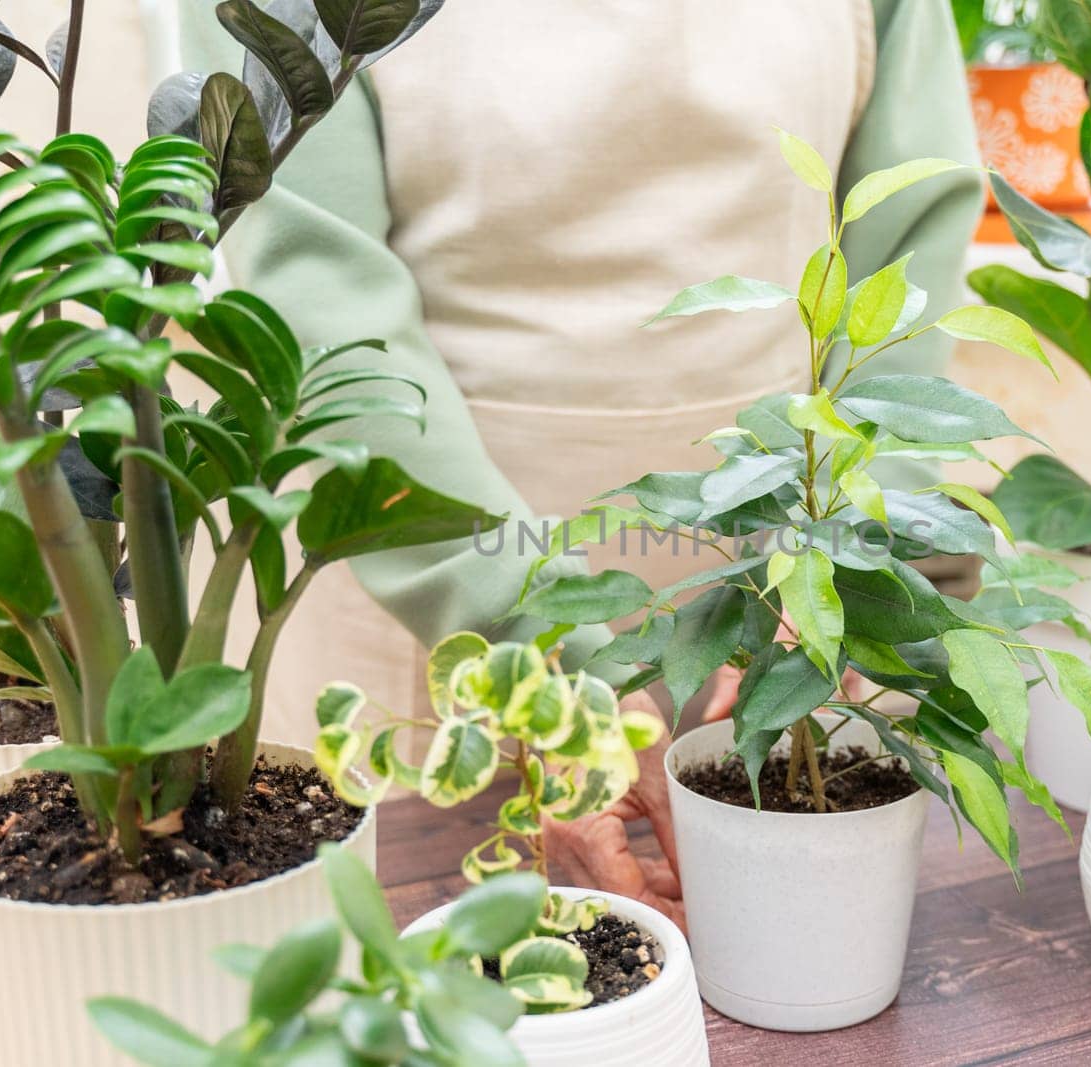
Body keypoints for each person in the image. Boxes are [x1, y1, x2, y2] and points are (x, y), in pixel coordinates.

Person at [177, 0, 983, 926]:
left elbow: (905, 246)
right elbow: (316, 304)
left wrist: (852, 565)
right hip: (436, 606)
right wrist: (546, 671)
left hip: (778, 630)